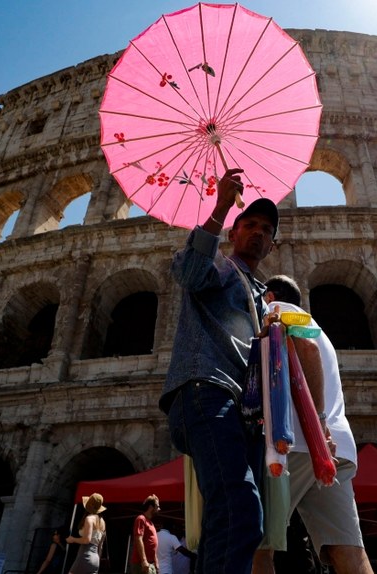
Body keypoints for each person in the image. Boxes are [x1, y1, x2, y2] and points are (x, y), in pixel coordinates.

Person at [160, 167, 277, 574]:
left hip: (239, 411)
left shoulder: (260, 293)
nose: (258, 232)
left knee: (221, 522)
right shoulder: (221, 266)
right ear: (233, 233)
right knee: (242, 509)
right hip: (205, 389)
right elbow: (189, 273)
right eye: (249, 225)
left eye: (266, 228)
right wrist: (221, 206)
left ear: (272, 244)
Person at [252, 275, 372, 574]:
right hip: (338, 448)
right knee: (347, 548)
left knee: (256, 544)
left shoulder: (275, 308)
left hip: (301, 441)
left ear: (268, 296)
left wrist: (317, 425)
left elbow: (306, 350)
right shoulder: (321, 330)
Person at [66, 494, 106, 574]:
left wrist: (72, 539)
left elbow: (86, 540)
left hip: (85, 554)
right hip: (96, 559)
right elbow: (100, 546)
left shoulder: (89, 519)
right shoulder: (103, 522)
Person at [127, 495, 159, 574]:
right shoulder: (141, 519)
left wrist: (156, 562)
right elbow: (138, 539)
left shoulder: (151, 523)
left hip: (150, 564)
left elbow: (153, 545)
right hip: (141, 564)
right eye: (157, 507)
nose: (159, 509)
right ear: (151, 507)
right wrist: (144, 560)